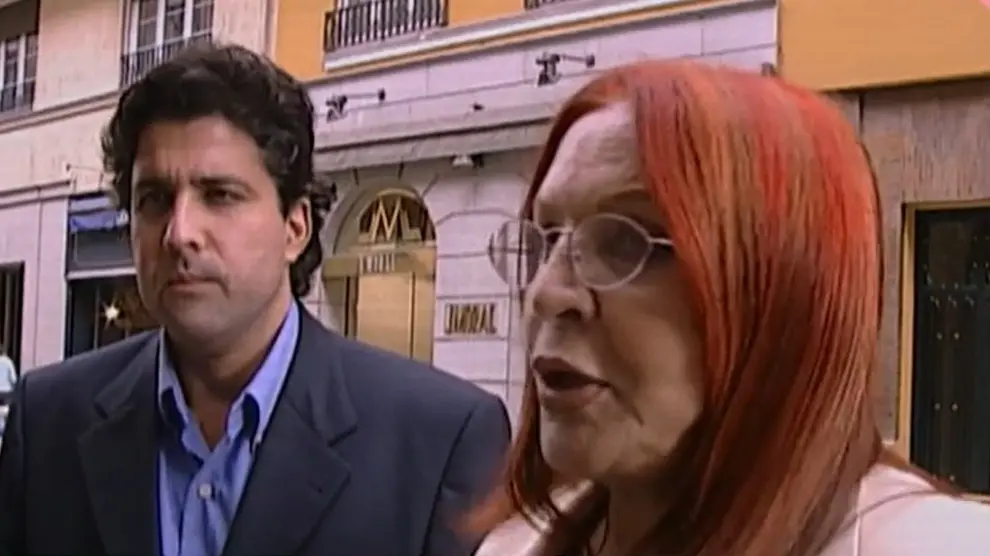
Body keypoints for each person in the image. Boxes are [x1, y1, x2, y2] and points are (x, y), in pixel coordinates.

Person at [0, 44, 511, 556]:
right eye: (154, 199)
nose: (179, 233)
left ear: (295, 228)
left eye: (219, 195)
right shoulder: (48, 421)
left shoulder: (439, 442)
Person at [470, 61, 990, 555]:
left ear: (785, 288)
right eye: (547, 238)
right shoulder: (513, 545)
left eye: (625, 244)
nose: (546, 293)